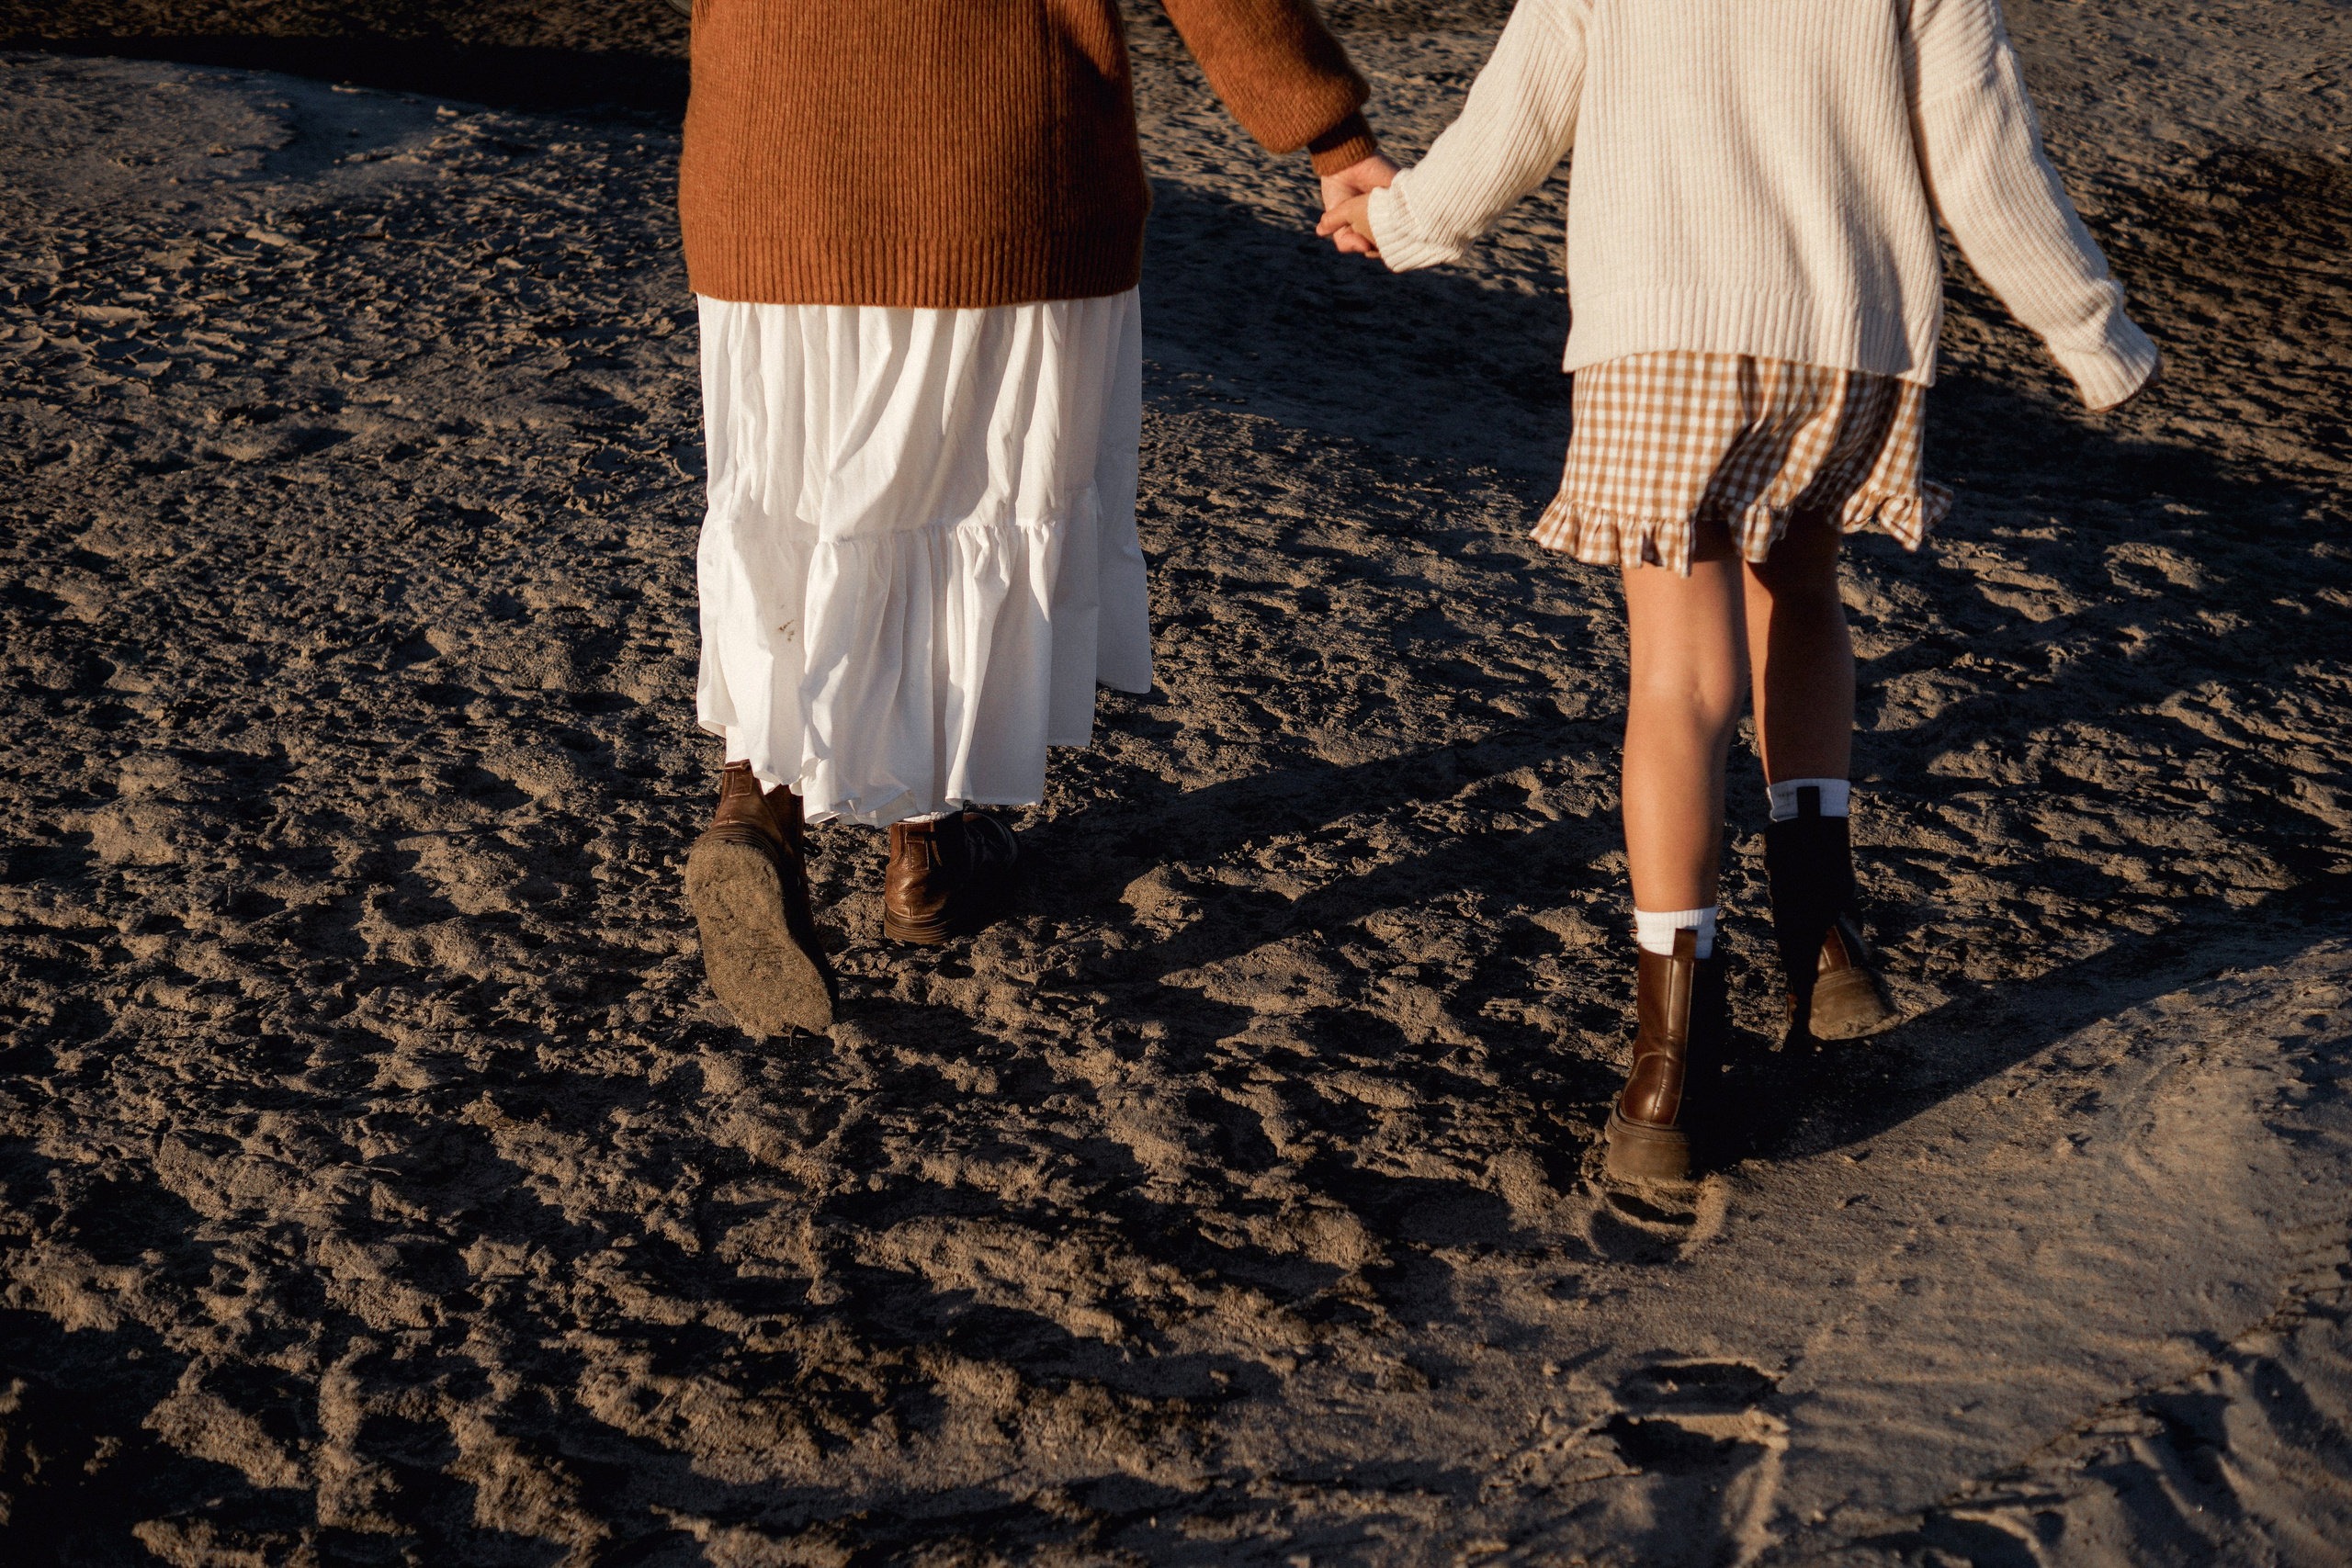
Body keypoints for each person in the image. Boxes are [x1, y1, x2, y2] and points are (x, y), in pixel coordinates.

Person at [1317, 0, 2158, 1177]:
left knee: (1676, 678)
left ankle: (1666, 1067)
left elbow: (1515, 117)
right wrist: (2090, 330)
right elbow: (1982, 152)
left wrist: (1395, 218)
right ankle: (1825, 942)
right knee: (1804, 598)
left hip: (1660, 334)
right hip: (1840, 334)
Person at [673, 3, 1398, 1039]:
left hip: (769, 148)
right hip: (997, 151)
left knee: (787, 489)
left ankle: (757, 803)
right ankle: (925, 855)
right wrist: (1331, 134)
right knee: (965, 492)